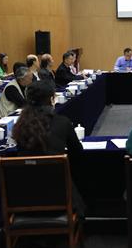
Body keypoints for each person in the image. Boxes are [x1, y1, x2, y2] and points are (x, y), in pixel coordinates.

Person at [12, 80, 85, 216]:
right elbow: (78, 153)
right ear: (52, 99)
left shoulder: (20, 126)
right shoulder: (62, 122)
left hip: (24, 200)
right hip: (60, 197)